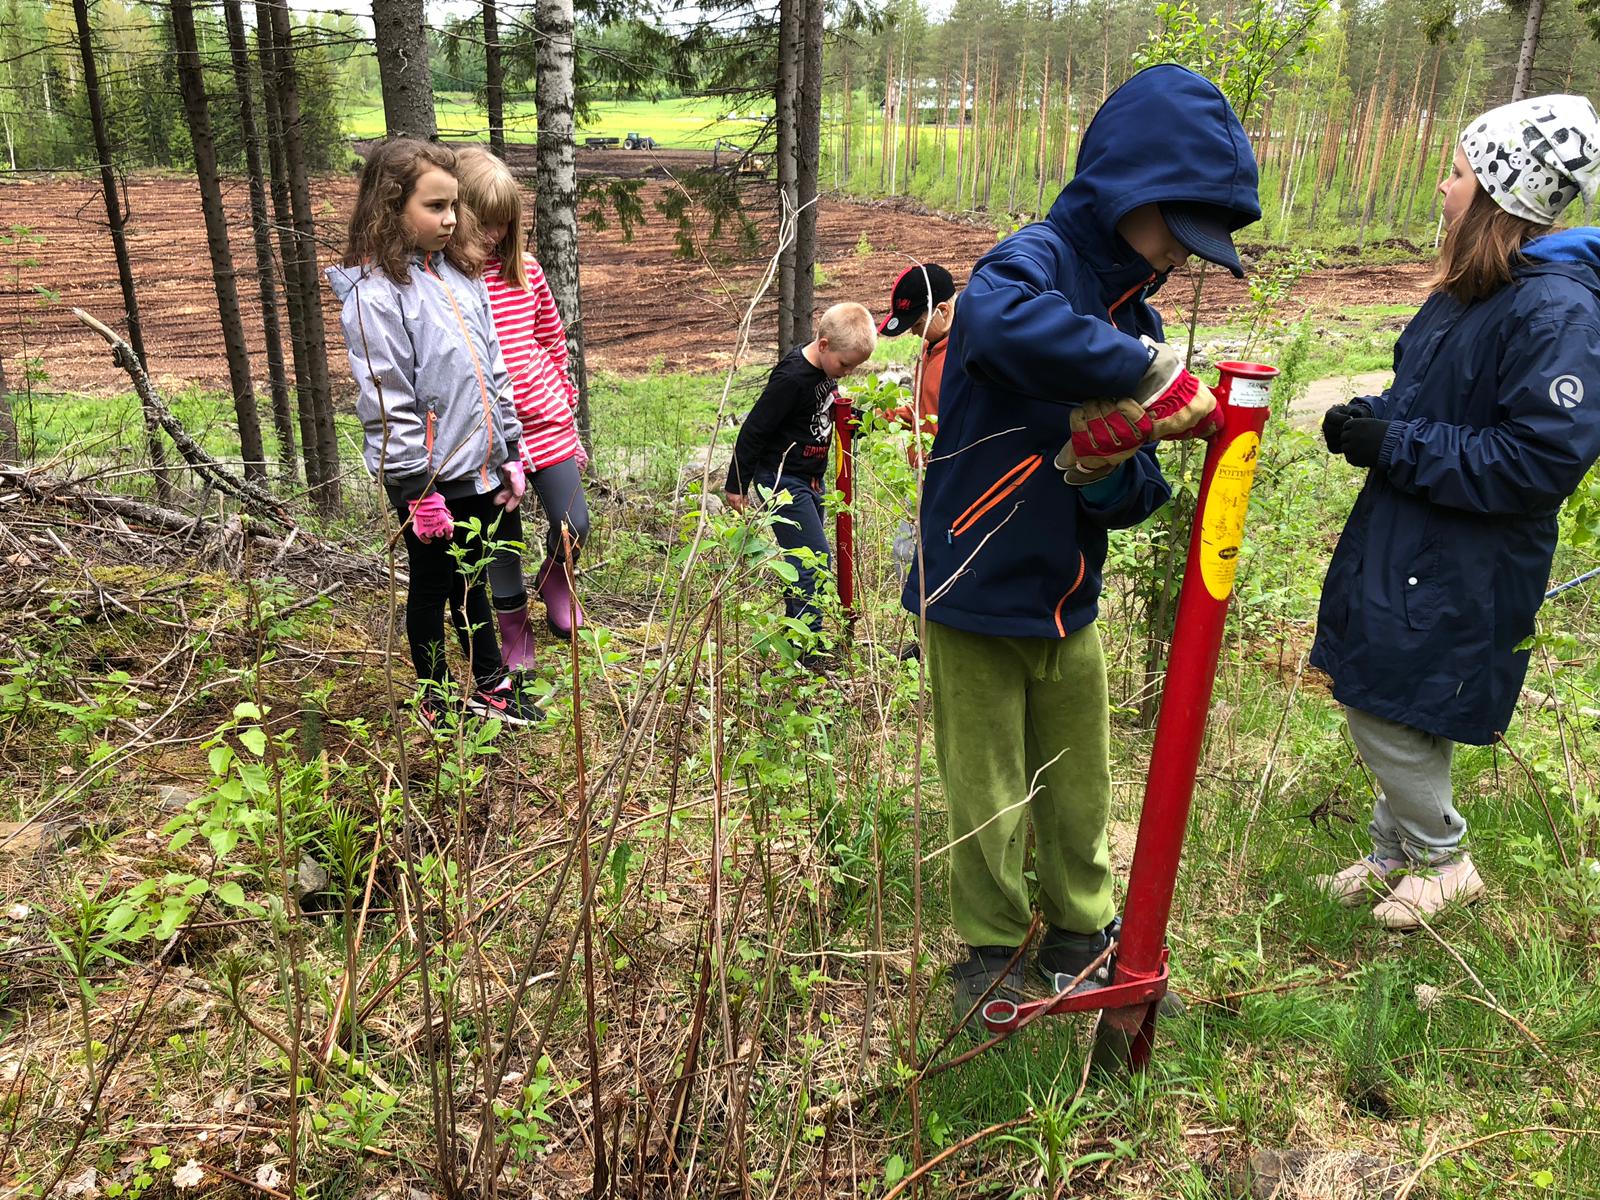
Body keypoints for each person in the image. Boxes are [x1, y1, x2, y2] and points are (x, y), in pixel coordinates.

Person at [904, 64, 1261, 1028]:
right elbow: (994, 325)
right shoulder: (1034, 262)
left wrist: (1103, 469)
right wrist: (1145, 372)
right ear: (1127, 192)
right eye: (1178, 229)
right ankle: (989, 952)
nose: (1181, 256)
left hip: (1068, 597)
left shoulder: (1137, 317)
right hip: (974, 583)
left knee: (1078, 781)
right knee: (984, 786)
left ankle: (1082, 934)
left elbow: (1137, 496)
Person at [1313, 95, 1600, 929]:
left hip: (1468, 556)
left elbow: (1538, 461)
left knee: (1382, 699)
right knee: (1401, 694)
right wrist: (1369, 417)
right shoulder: (1474, 292)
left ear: (1502, 193)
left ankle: (1445, 859)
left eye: (1460, 172)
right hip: (1413, 535)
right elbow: (1429, 399)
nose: (1443, 186)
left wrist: (1396, 444)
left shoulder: (1556, 311)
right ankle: (1394, 853)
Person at [327, 139, 540, 727]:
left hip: (477, 466)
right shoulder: (374, 297)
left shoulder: (462, 278)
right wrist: (415, 490)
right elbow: (387, 399)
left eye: (453, 206)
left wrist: (510, 451)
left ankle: (492, 686)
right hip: (426, 477)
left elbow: (493, 370)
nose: (449, 219)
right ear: (390, 208)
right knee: (431, 584)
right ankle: (435, 695)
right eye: (434, 206)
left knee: (472, 580)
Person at [454, 147, 590, 655]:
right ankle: (513, 628)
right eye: (483, 223)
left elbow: (552, 341)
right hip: (487, 434)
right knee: (501, 540)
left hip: (544, 421)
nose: (494, 235)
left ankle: (556, 577)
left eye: (503, 223)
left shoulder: (526, 271)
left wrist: (564, 400)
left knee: (574, 522)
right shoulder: (449, 283)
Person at [724, 303, 878, 659]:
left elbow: (826, 410)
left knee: (803, 562)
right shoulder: (792, 378)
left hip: (810, 480)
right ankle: (808, 650)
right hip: (781, 479)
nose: (847, 373)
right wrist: (737, 484)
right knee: (813, 560)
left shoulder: (824, 371)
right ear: (823, 345)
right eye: (845, 365)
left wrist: (860, 421)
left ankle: (797, 638)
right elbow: (754, 429)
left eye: (853, 367)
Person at [876, 264, 958, 660]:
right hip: (923, 473)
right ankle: (925, 639)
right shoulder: (931, 348)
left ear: (943, 310)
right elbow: (927, 411)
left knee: (923, 555)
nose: (912, 332)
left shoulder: (964, 355)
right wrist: (884, 416)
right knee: (908, 553)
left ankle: (939, 642)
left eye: (917, 323)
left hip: (949, 479)